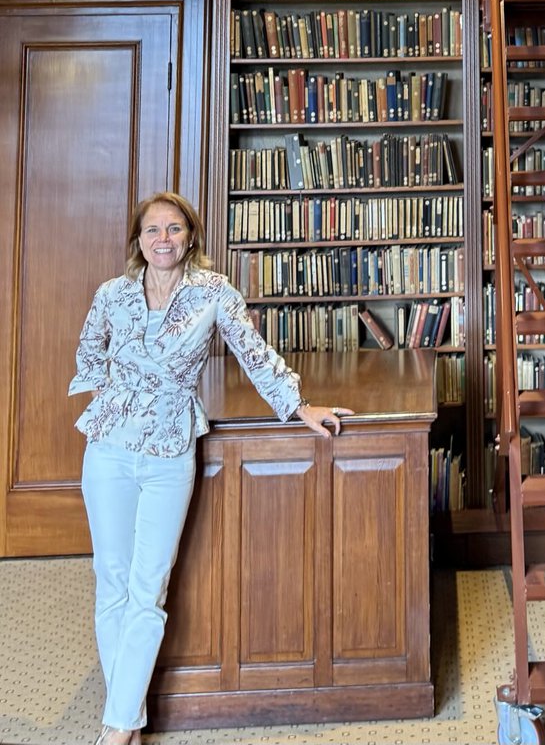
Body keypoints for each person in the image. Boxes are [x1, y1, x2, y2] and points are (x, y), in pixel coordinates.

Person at [69, 192, 353, 745]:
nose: (163, 239)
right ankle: (124, 715)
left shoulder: (214, 293)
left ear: (190, 236)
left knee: (148, 587)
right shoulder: (112, 295)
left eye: (174, 229)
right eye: (152, 230)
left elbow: (254, 353)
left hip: (172, 450)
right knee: (111, 582)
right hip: (107, 448)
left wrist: (300, 406)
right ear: (139, 240)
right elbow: (87, 354)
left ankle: (118, 729)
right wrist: (121, 391)